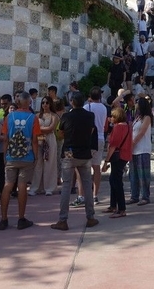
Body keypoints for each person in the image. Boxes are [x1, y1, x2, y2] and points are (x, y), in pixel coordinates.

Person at [52, 91, 99, 230]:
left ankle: (63, 220)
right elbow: (91, 131)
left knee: (66, 186)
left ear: (72, 102)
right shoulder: (90, 116)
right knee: (87, 185)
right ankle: (90, 217)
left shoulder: (66, 116)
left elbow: (60, 135)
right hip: (84, 152)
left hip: (69, 151)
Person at [0, 92, 41, 231]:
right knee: (22, 186)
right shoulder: (33, 118)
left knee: (8, 185)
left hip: (11, 156)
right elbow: (35, 140)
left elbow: (5, 138)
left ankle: (3, 219)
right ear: (28, 102)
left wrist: (5, 155)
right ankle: (21, 219)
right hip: (27, 156)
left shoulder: (9, 117)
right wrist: (36, 156)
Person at [101, 107, 132, 218]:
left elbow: (113, 146)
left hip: (118, 156)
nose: (111, 118)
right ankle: (113, 205)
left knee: (116, 181)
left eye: (113, 116)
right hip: (124, 155)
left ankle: (121, 208)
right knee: (113, 179)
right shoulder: (127, 126)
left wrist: (106, 161)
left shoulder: (118, 128)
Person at [29, 96, 59, 196]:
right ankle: (35, 187)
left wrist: (40, 128)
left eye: (47, 102)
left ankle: (49, 187)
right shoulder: (37, 115)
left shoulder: (54, 116)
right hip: (39, 139)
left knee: (49, 163)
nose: (45, 104)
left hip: (49, 140)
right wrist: (40, 130)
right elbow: (33, 128)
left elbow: (51, 128)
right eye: (43, 103)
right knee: (37, 163)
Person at [84, 87, 108, 205]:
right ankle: (95, 195)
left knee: (85, 167)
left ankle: (84, 194)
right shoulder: (104, 108)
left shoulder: (87, 107)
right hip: (100, 137)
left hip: (88, 137)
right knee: (96, 166)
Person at [128, 96, 153, 206]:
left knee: (143, 174)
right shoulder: (137, 117)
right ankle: (134, 195)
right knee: (133, 174)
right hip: (134, 150)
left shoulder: (147, 117)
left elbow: (142, 132)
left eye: (137, 103)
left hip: (143, 148)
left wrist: (132, 143)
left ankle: (145, 196)